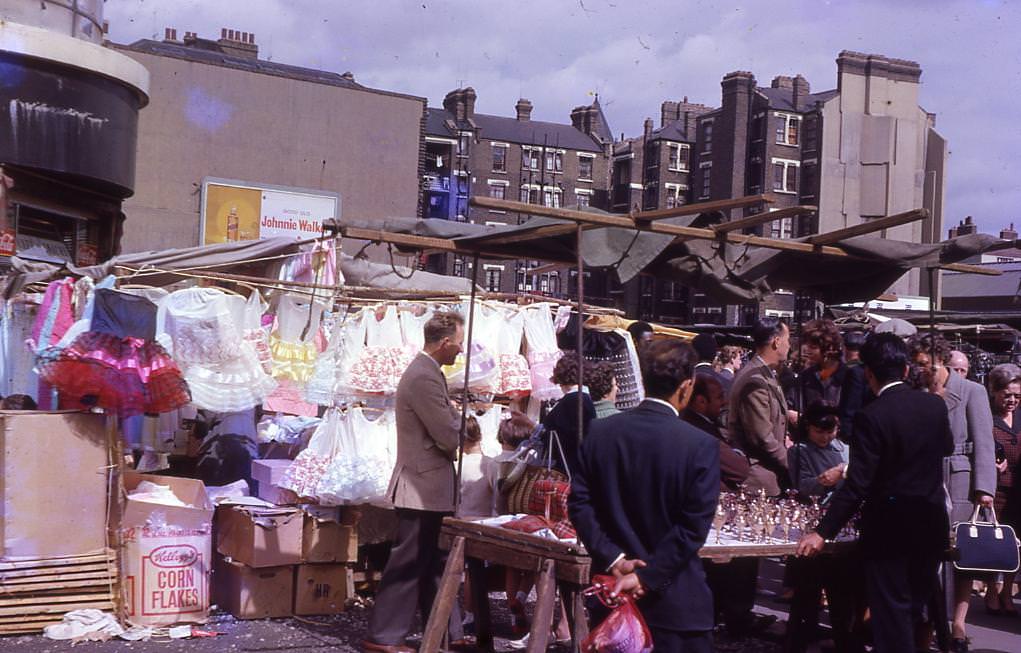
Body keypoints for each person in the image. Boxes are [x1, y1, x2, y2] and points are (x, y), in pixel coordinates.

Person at [797, 333, 953, 653]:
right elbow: (947, 447)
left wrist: (822, 532)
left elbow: (858, 483)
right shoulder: (934, 405)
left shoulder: (872, 415)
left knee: (893, 617)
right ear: (906, 370)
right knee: (914, 610)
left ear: (868, 373)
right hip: (930, 523)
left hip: (891, 531)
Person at [569, 339, 719, 652]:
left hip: (612, 596)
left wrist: (613, 558)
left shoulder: (600, 432)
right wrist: (646, 576)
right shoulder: (699, 445)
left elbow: (580, 505)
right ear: (686, 386)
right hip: (675, 603)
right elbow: (693, 528)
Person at [364, 311, 466, 653]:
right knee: (409, 561)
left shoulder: (428, 372)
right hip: (421, 486)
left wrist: (453, 420)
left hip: (427, 484)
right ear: (445, 342)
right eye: (459, 344)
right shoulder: (424, 376)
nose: (461, 351)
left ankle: (445, 630)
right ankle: (384, 636)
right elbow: (448, 435)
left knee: (433, 560)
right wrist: (457, 421)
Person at [907, 333, 994, 652]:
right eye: (916, 364)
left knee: (961, 556)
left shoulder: (972, 391)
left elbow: (984, 441)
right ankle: (928, 624)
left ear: (940, 359)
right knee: (929, 556)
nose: (920, 370)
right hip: (925, 479)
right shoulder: (916, 392)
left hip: (960, 479)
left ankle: (958, 623)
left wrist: (984, 488)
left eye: (924, 364)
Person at [728, 316, 791, 496]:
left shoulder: (765, 373)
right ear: (776, 342)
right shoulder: (755, 381)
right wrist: (793, 462)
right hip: (759, 481)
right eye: (787, 340)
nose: (789, 346)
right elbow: (762, 437)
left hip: (768, 474)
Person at [985, 363, 1021, 617]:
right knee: (994, 543)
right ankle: (991, 591)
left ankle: (1007, 590)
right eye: (1007, 395)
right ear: (994, 391)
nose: (1012, 401)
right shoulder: (986, 416)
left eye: (1017, 396)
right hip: (996, 489)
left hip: (1019, 490)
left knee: (1016, 545)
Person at [795, 319, 866, 442]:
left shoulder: (851, 376)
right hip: (811, 444)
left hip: (842, 443)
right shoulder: (806, 376)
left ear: (830, 347)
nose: (807, 350)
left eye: (813, 347)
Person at [682, 373, 750, 491]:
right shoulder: (701, 431)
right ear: (701, 401)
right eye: (719, 397)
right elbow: (739, 469)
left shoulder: (699, 423)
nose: (725, 402)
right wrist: (737, 452)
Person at [541, 352, 595, 475]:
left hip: (567, 471)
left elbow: (558, 436)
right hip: (580, 469)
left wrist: (532, 427)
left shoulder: (571, 401)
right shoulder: (585, 399)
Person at [456, 416, 494, 519]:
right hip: (488, 520)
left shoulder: (458, 465)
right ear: (480, 436)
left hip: (463, 519)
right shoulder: (493, 464)